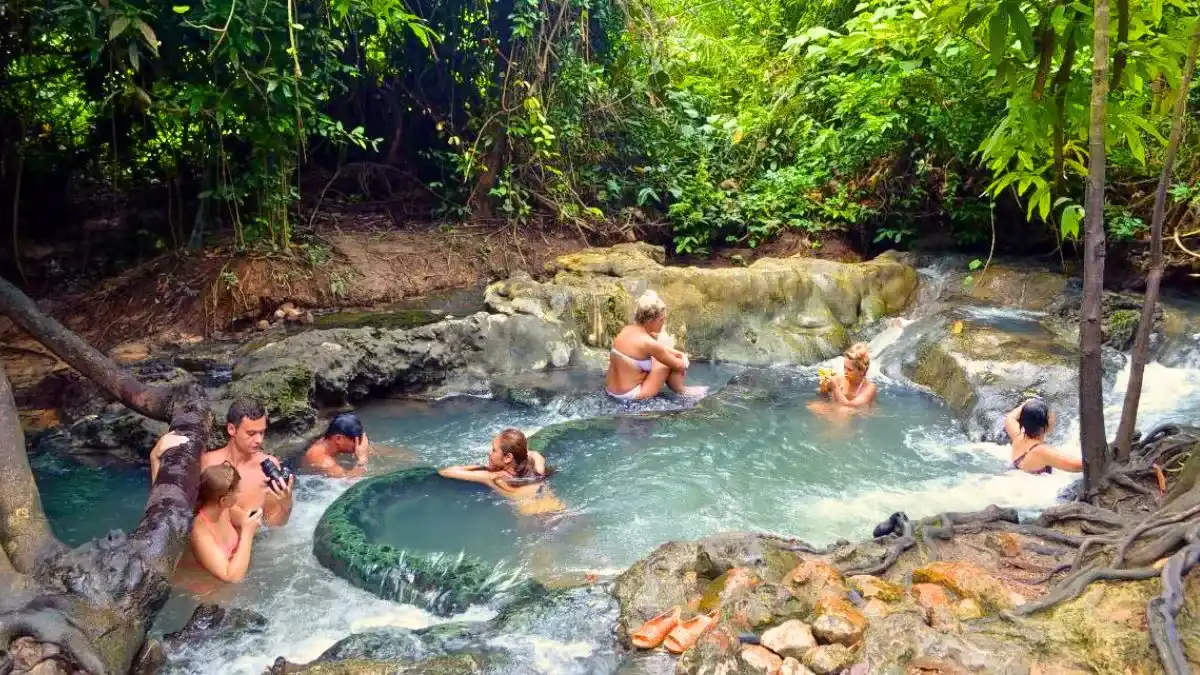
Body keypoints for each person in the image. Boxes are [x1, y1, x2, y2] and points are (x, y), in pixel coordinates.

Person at [605, 290, 706, 401]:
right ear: (650, 320)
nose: (663, 323)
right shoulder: (649, 343)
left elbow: (655, 349)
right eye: (661, 320)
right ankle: (682, 392)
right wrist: (683, 358)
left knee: (661, 358)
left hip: (610, 390)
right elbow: (679, 366)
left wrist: (676, 352)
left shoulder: (627, 330)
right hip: (630, 396)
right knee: (667, 363)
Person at [437, 428, 562, 515]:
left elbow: (445, 471)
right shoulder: (536, 463)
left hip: (535, 522)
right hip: (560, 510)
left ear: (508, 457)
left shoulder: (495, 479)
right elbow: (530, 453)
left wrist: (484, 467)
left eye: (493, 450)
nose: (489, 453)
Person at [182, 462, 262, 583]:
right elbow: (232, 578)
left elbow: (249, 523)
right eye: (237, 492)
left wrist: (253, 519)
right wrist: (247, 533)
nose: (239, 495)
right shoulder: (199, 531)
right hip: (207, 591)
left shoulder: (225, 509)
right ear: (223, 500)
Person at [1005, 398, 1081, 474]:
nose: (1053, 415)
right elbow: (1077, 466)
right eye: (1050, 415)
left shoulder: (1018, 437)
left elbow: (1010, 417)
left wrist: (1028, 404)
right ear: (1043, 427)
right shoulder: (1042, 452)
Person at [303, 413, 370, 477]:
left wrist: (365, 451)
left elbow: (366, 450)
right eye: (356, 441)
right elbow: (347, 482)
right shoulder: (323, 461)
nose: (358, 445)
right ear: (338, 439)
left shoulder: (331, 442)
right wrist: (362, 459)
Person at [816, 342, 877, 408]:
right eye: (844, 367)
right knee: (815, 406)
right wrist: (823, 387)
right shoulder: (839, 378)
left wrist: (834, 387)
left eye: (849, 370)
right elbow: (823, 398)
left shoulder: (870, 388)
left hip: (857, 413)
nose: (845, 372)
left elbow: (850, 406)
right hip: (837, 409)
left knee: (844, 410)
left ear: (861, 371)